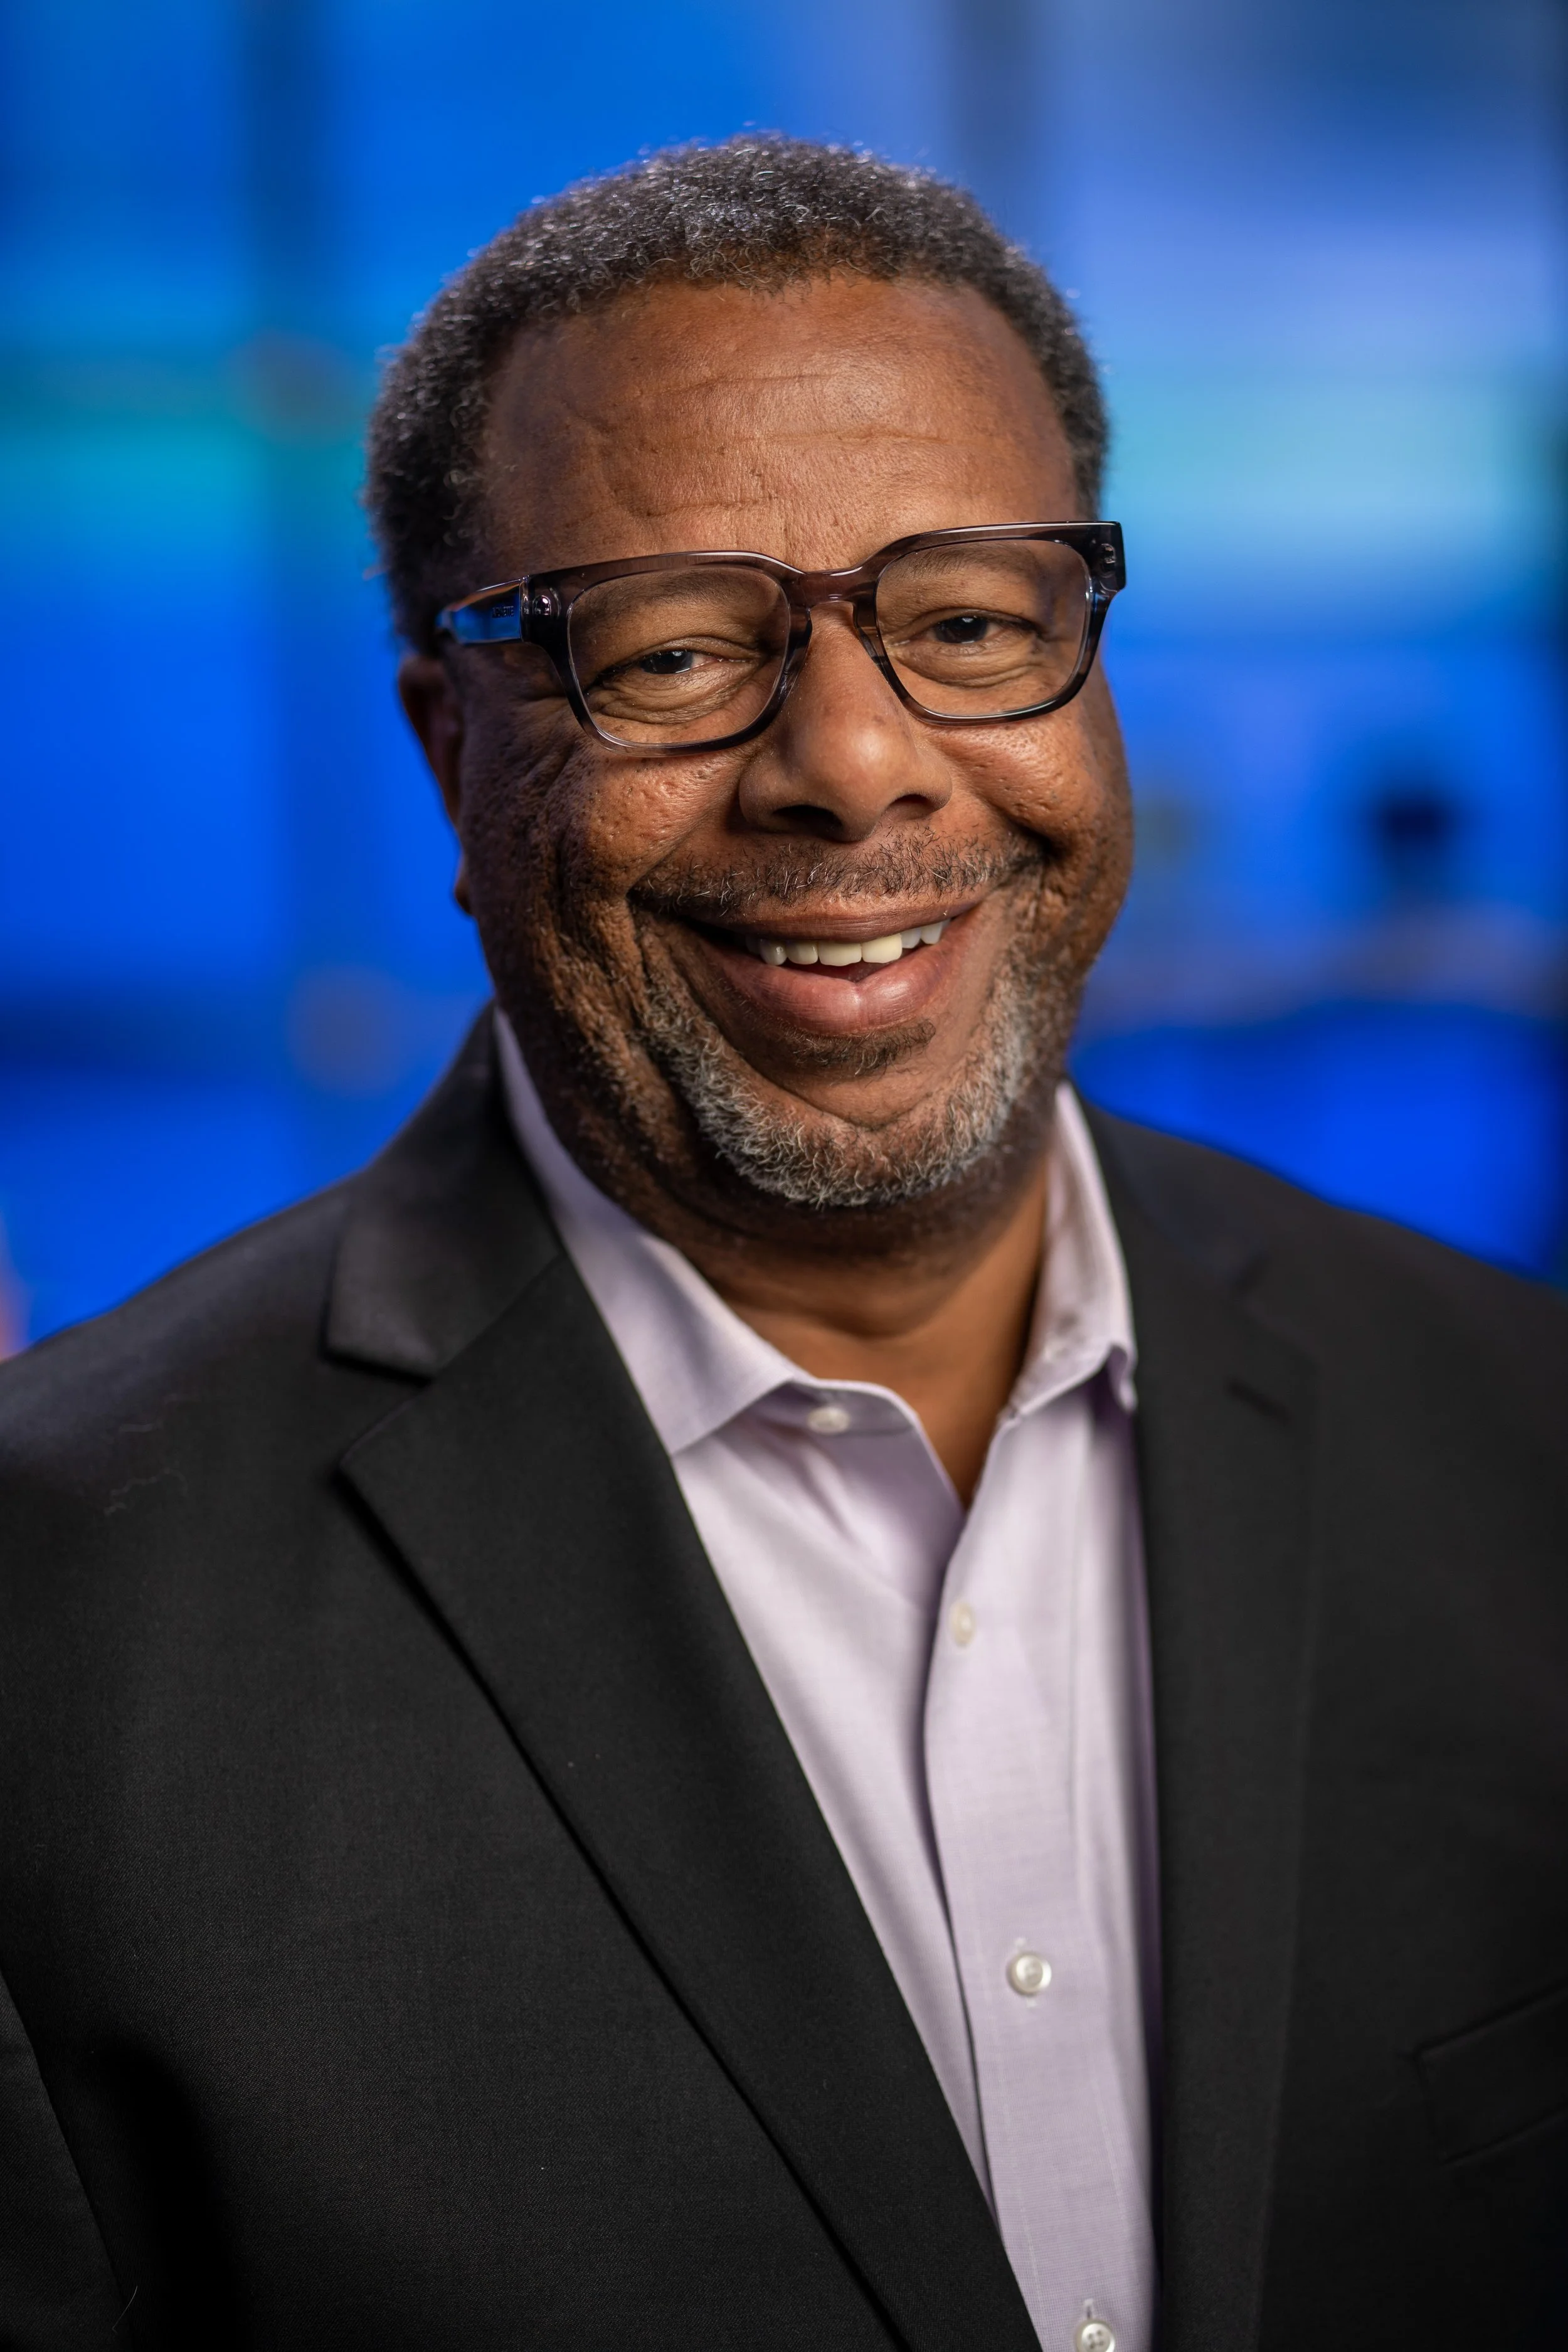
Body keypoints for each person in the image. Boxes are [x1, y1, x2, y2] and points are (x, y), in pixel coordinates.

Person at [0, 137, 1564, 2352]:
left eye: (966, 623)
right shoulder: (48, 1630)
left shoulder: (1520, 1437)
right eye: (664, 649)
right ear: (452, 756)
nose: (852, 764)